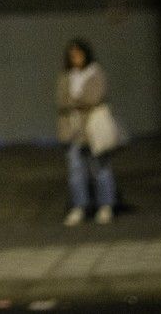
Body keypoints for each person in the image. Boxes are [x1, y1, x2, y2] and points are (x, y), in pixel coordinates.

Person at [56, 38, 117, 225]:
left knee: (100, 168)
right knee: (76, 171)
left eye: (78, 53)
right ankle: (79, 206)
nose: (75, 58)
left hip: (93, 129)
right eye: (72, 55)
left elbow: (94, 97)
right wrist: (77, 102)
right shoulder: (66, 76)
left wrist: (76, 101)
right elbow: (61, 100)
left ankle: (106, 205)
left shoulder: (95, 72)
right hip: (72, 130)